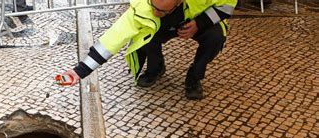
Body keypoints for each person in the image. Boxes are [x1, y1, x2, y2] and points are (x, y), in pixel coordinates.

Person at [62, 0, 237, 100]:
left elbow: (227, 5)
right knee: (144, 35)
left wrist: (200, 24)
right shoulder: (144, 9)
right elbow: (111, 40)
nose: (154, 11)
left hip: (198, 19)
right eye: (152, 5)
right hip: (164, 26)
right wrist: (79, 72)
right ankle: (156, 68)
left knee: (215, 38)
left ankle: (194, 76)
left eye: (160, 10)